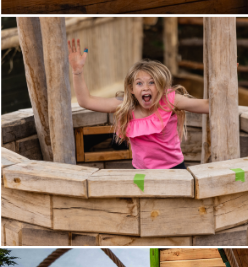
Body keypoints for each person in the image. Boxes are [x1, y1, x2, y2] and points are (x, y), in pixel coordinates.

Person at [67, 40, 209, 170]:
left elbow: (207, 105)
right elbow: (86, 101)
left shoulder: (170, 101)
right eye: (139, 83)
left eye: (152, 82)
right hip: (141, 173)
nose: (145, 87)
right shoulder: (126, 106)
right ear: (131, 89)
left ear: (161, 86)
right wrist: (77, 72)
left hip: (174, 169)